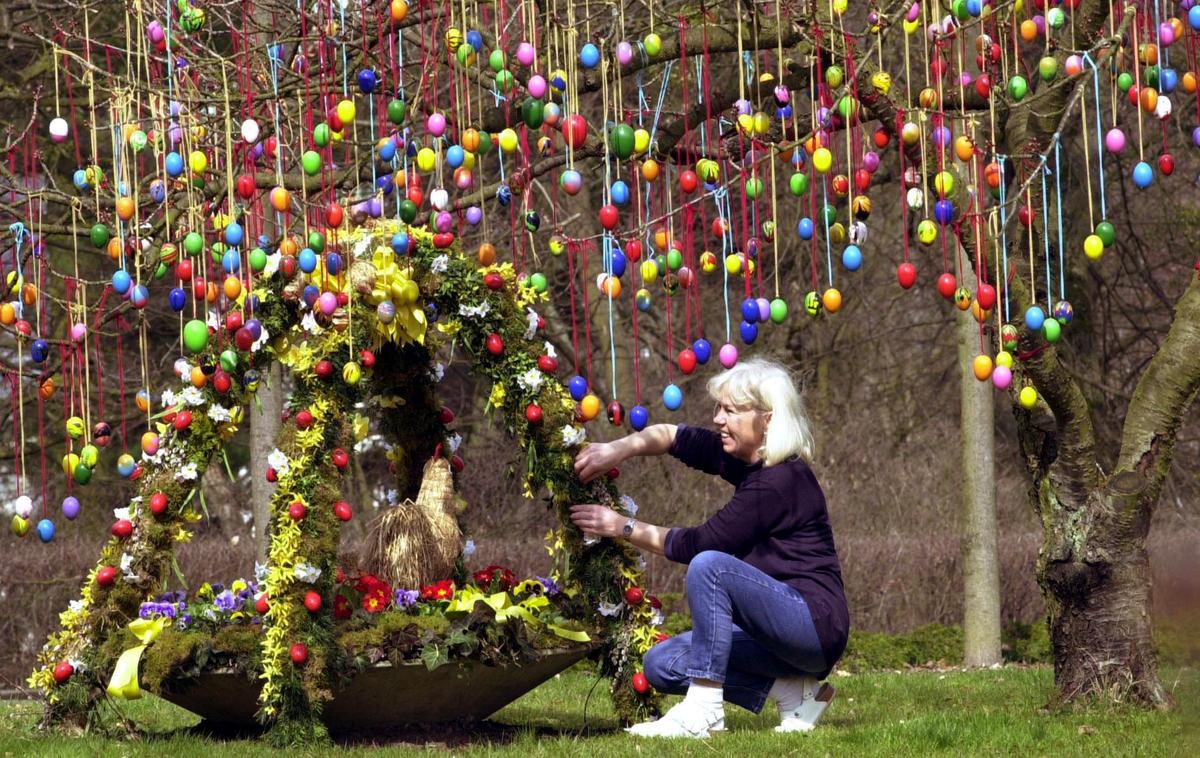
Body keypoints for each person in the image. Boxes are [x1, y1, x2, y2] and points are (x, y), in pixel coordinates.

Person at [570, 358, 848, 739]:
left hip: (811, 627)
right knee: (662, 664)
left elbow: (698, 545)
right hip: (774, 631)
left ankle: (704, 711)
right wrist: (617, 449)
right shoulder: (747, 459)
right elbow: (672, 435)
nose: (718, 419)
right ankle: (794, 692)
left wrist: (621, 526)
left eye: (730, 411)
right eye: (718, 408)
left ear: (767, 419)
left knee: (711, 566)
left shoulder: (778, 482)